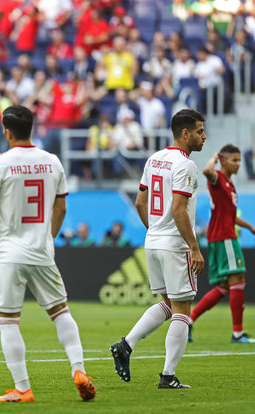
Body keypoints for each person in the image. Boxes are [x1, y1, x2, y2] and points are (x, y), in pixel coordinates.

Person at [0, 105, 96, 403]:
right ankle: (79, 370)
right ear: (32, 128)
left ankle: (23, 388)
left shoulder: (0, 163)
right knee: (61, 312)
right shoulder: (52, 162)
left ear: (6, 131)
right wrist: (47, 238)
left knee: (8, 321)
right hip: (42, 252)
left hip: (9, 253)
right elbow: (61, 207)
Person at [110, 109, 207, 389]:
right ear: (185, 133)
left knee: (167, 304)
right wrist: (194, 246)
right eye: (200, 131)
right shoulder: (185, 165)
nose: (204, 136)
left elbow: (140, 202)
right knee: (182, 311)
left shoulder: (154, 159)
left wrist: (154, 230)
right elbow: (179, 210)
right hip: (175, 245)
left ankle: (126, 345)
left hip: (153, 240)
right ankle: (168, 376)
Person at [189, 145, 255, 343]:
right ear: (224, 160)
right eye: (234, 160)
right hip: (224, 237)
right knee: (238, 278)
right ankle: (238, 333)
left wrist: (250, 227)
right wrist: (214, 157)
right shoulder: (217, 178)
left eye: (239, 160)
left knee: (226, 286)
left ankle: (189, 321)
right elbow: (207, 171)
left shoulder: (229, 184)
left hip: (223, 236)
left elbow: (230, 215)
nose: (238, 164)